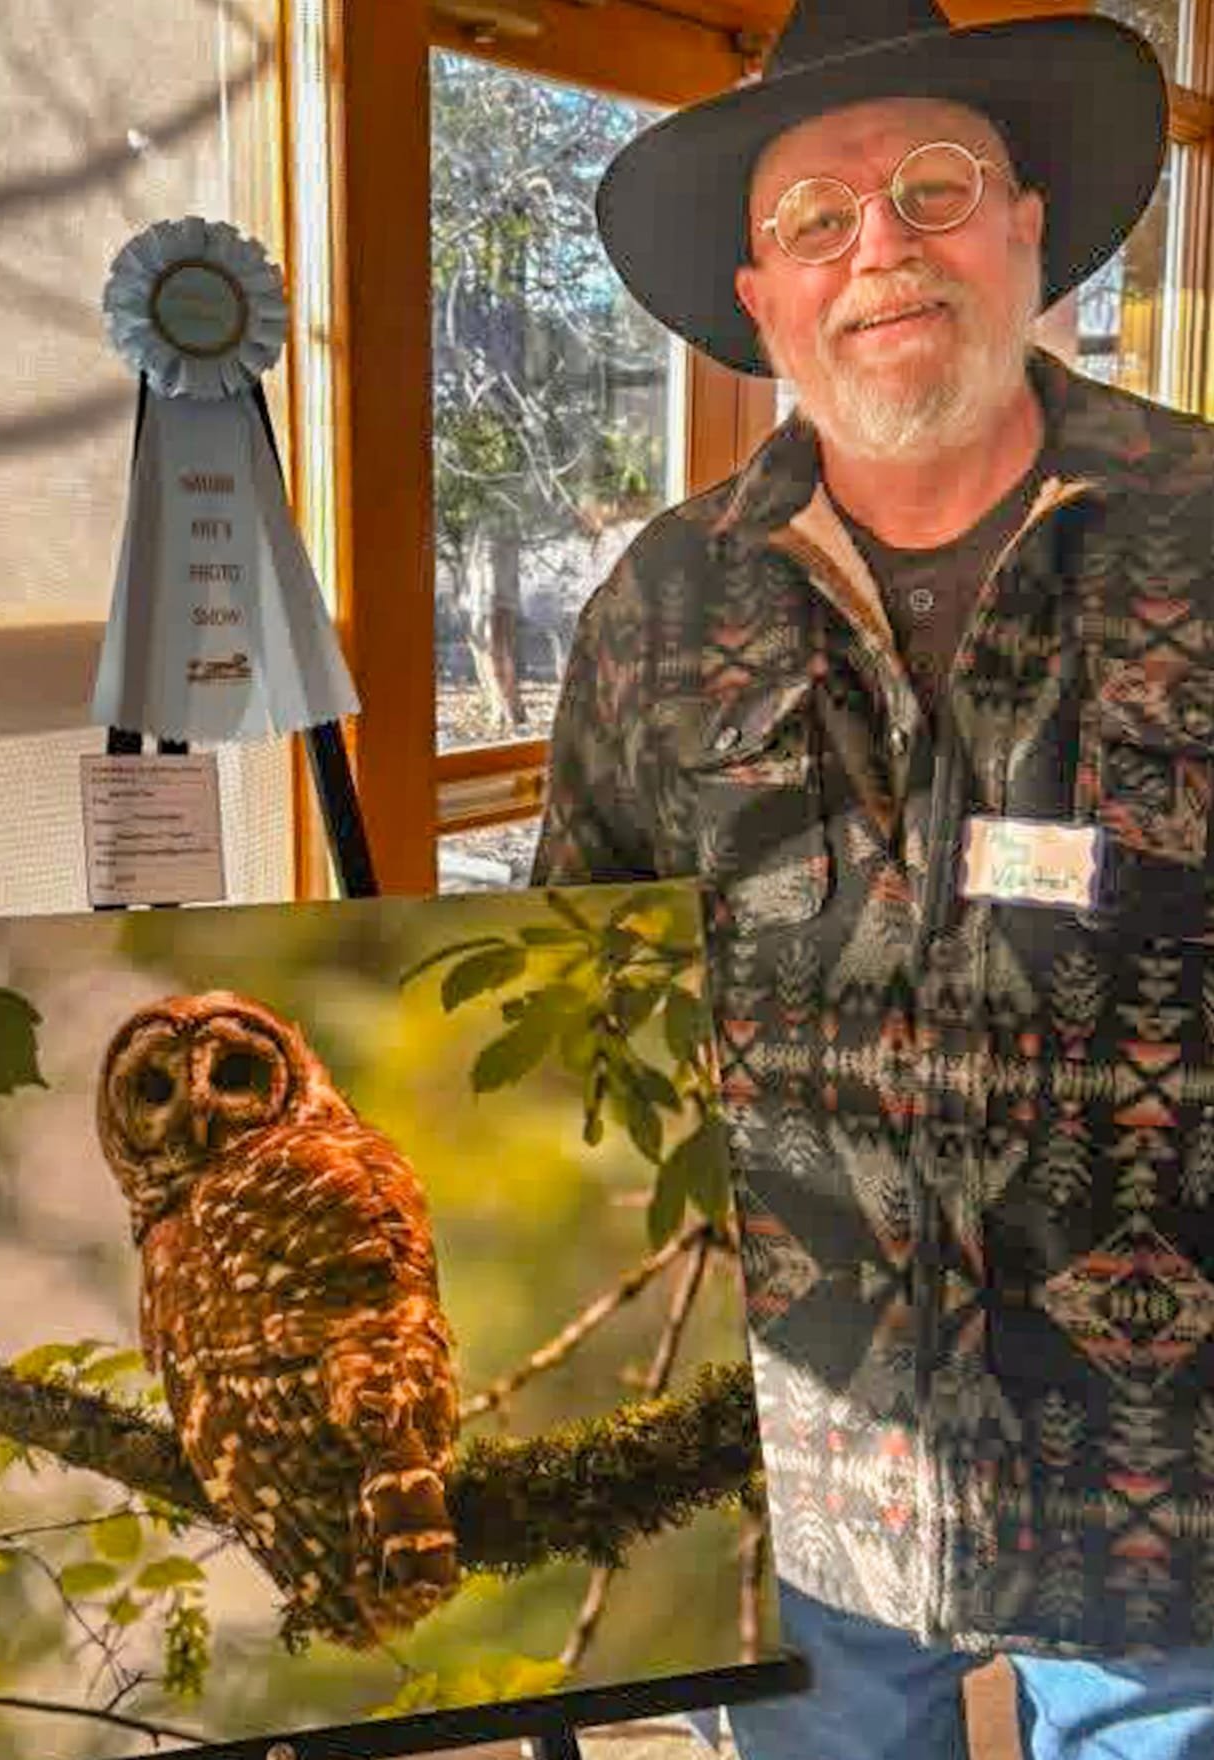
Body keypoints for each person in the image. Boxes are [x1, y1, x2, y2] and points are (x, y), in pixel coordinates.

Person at [531, 1, 1214, 1754]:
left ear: (1028, 223)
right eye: (815, 220)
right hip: (799, 1479)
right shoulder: (658, 608)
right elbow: (585, 1026)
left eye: (932, 184)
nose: (880, 249)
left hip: (1176, 1498)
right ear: (761, 300)